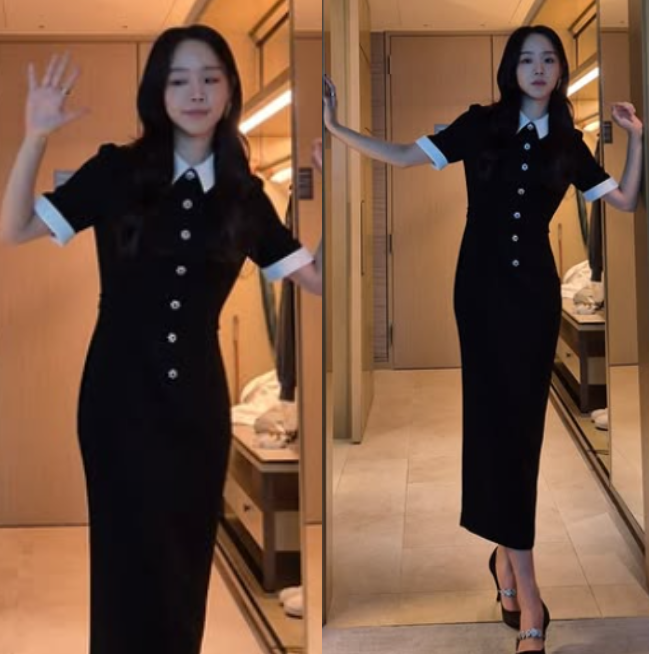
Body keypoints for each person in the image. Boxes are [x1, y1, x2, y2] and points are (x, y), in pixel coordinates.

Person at [0, 24, 322, 654]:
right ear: (158, 92)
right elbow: (15, 228)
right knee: (123, 562)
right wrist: (36, 134)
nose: (195, 92)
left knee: (183, 563)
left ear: (229, 90)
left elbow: (316, 280)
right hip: (117, 402)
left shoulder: (244, 196)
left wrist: (333, 188)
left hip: (197, 407)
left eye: (209, 78)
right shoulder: (115, 172)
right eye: (179, 80)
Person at [323, 25, 642, 654]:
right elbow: (404, 156)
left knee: (521, 435)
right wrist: (338, 130)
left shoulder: (569, 144)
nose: (539, 68)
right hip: (480, 293)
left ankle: (507, 564)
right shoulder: (482, 124)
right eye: (527, 59)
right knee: (494, 427)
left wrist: (639, 138)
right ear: (511, 69)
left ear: (560, 71)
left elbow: (627, 201)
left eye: (549, 59)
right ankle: (529, 593)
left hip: (535, 299)